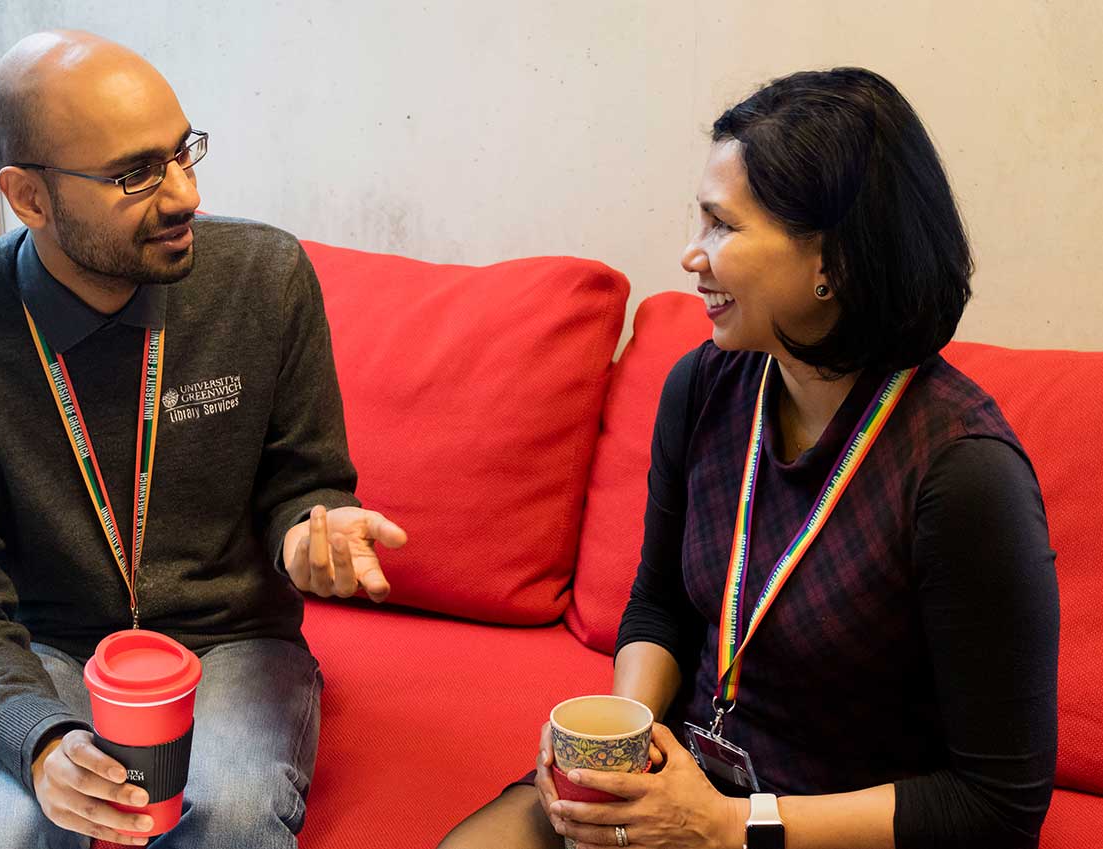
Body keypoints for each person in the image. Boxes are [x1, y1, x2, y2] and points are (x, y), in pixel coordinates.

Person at [439, 67, 1058, 849]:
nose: (690, 255)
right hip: (693, 784)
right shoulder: (703, 386)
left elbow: (997, 806)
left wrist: (728, 825)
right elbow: (659, 603)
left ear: (831, 262)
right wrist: (623, 743)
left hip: (829, 828)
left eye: (721, 227)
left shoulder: (964, 474)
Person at [0, 30, 407, 848]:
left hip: (230, 638)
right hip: (39, 645)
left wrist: (310, 530)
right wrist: (40, 739)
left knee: (228, 817)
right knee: (5, 833)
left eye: (183, 151)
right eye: (134, 174)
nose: (184, 194)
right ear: (28, 197)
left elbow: (307, 480)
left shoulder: (265, 278)